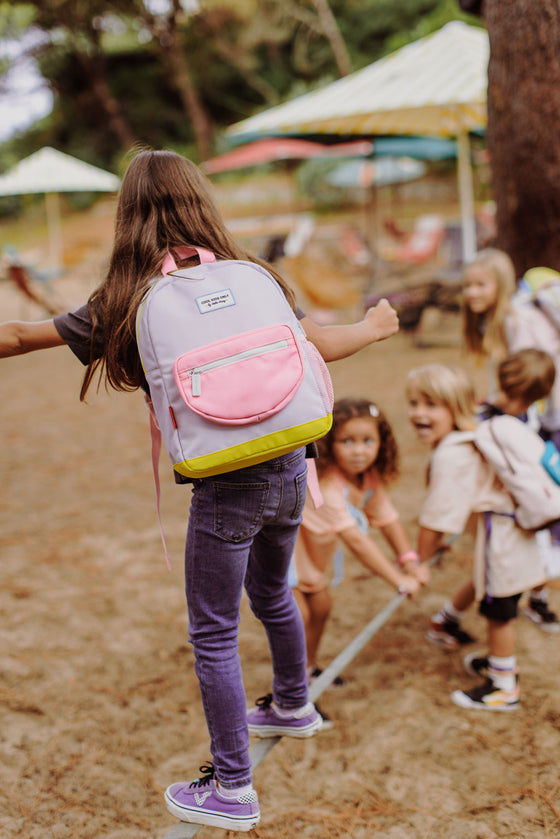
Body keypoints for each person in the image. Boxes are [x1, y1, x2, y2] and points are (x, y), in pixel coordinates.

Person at [0, 149, 401, 833]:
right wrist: (371, 327)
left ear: (127, 217)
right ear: (199, 201)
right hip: (290, 467)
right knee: (273, 592)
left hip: (224, 486)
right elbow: (311, 346)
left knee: (213, 633)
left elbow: (14, 334)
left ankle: (232, 787)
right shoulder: (253, 276)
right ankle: (294, 702)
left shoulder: (122, 300)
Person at [407, 363, 547, 711]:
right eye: (413, 403)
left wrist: (419, 563)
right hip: (512, 531)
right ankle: (461, 634)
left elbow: (435, 519)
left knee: (499, 609)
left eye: (431, 405)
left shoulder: (453, 451)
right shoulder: (472, 433)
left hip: (503, 538)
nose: (419, 413)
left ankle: (503, 688)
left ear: (456, 408)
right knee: (492, 590)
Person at [426, 349, 559, 651]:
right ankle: (500, 679)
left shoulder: (524, 418)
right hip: (493, 512)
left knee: (489, 575)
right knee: (495, 585)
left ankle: (445, 619)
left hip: (513, 514)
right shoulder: (485, 418)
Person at [291, 397, 425, 691]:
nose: (359, 451)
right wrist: (398, 581)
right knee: (296, 619)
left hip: (313, 559)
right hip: (286, 559)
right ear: (328, 443)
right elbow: (356, 540)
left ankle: (308, 669)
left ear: (382, 442)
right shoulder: (326, 484)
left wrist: (408, 559)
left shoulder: (368, 478)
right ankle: (290, 692)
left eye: (368, 441)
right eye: (347, 441)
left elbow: (386, 517)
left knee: (321, 609)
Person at [462, 247, 560, 628]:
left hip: (550, 419)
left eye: (480, 284)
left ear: (500, 285)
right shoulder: (500, 321)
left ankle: (538, 594)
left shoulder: (518, 320)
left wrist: (505, 414)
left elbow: (527, 382)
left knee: (540, 501)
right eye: (467, 285)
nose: (471, 293)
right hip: (542, 417)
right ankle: (539, 593)